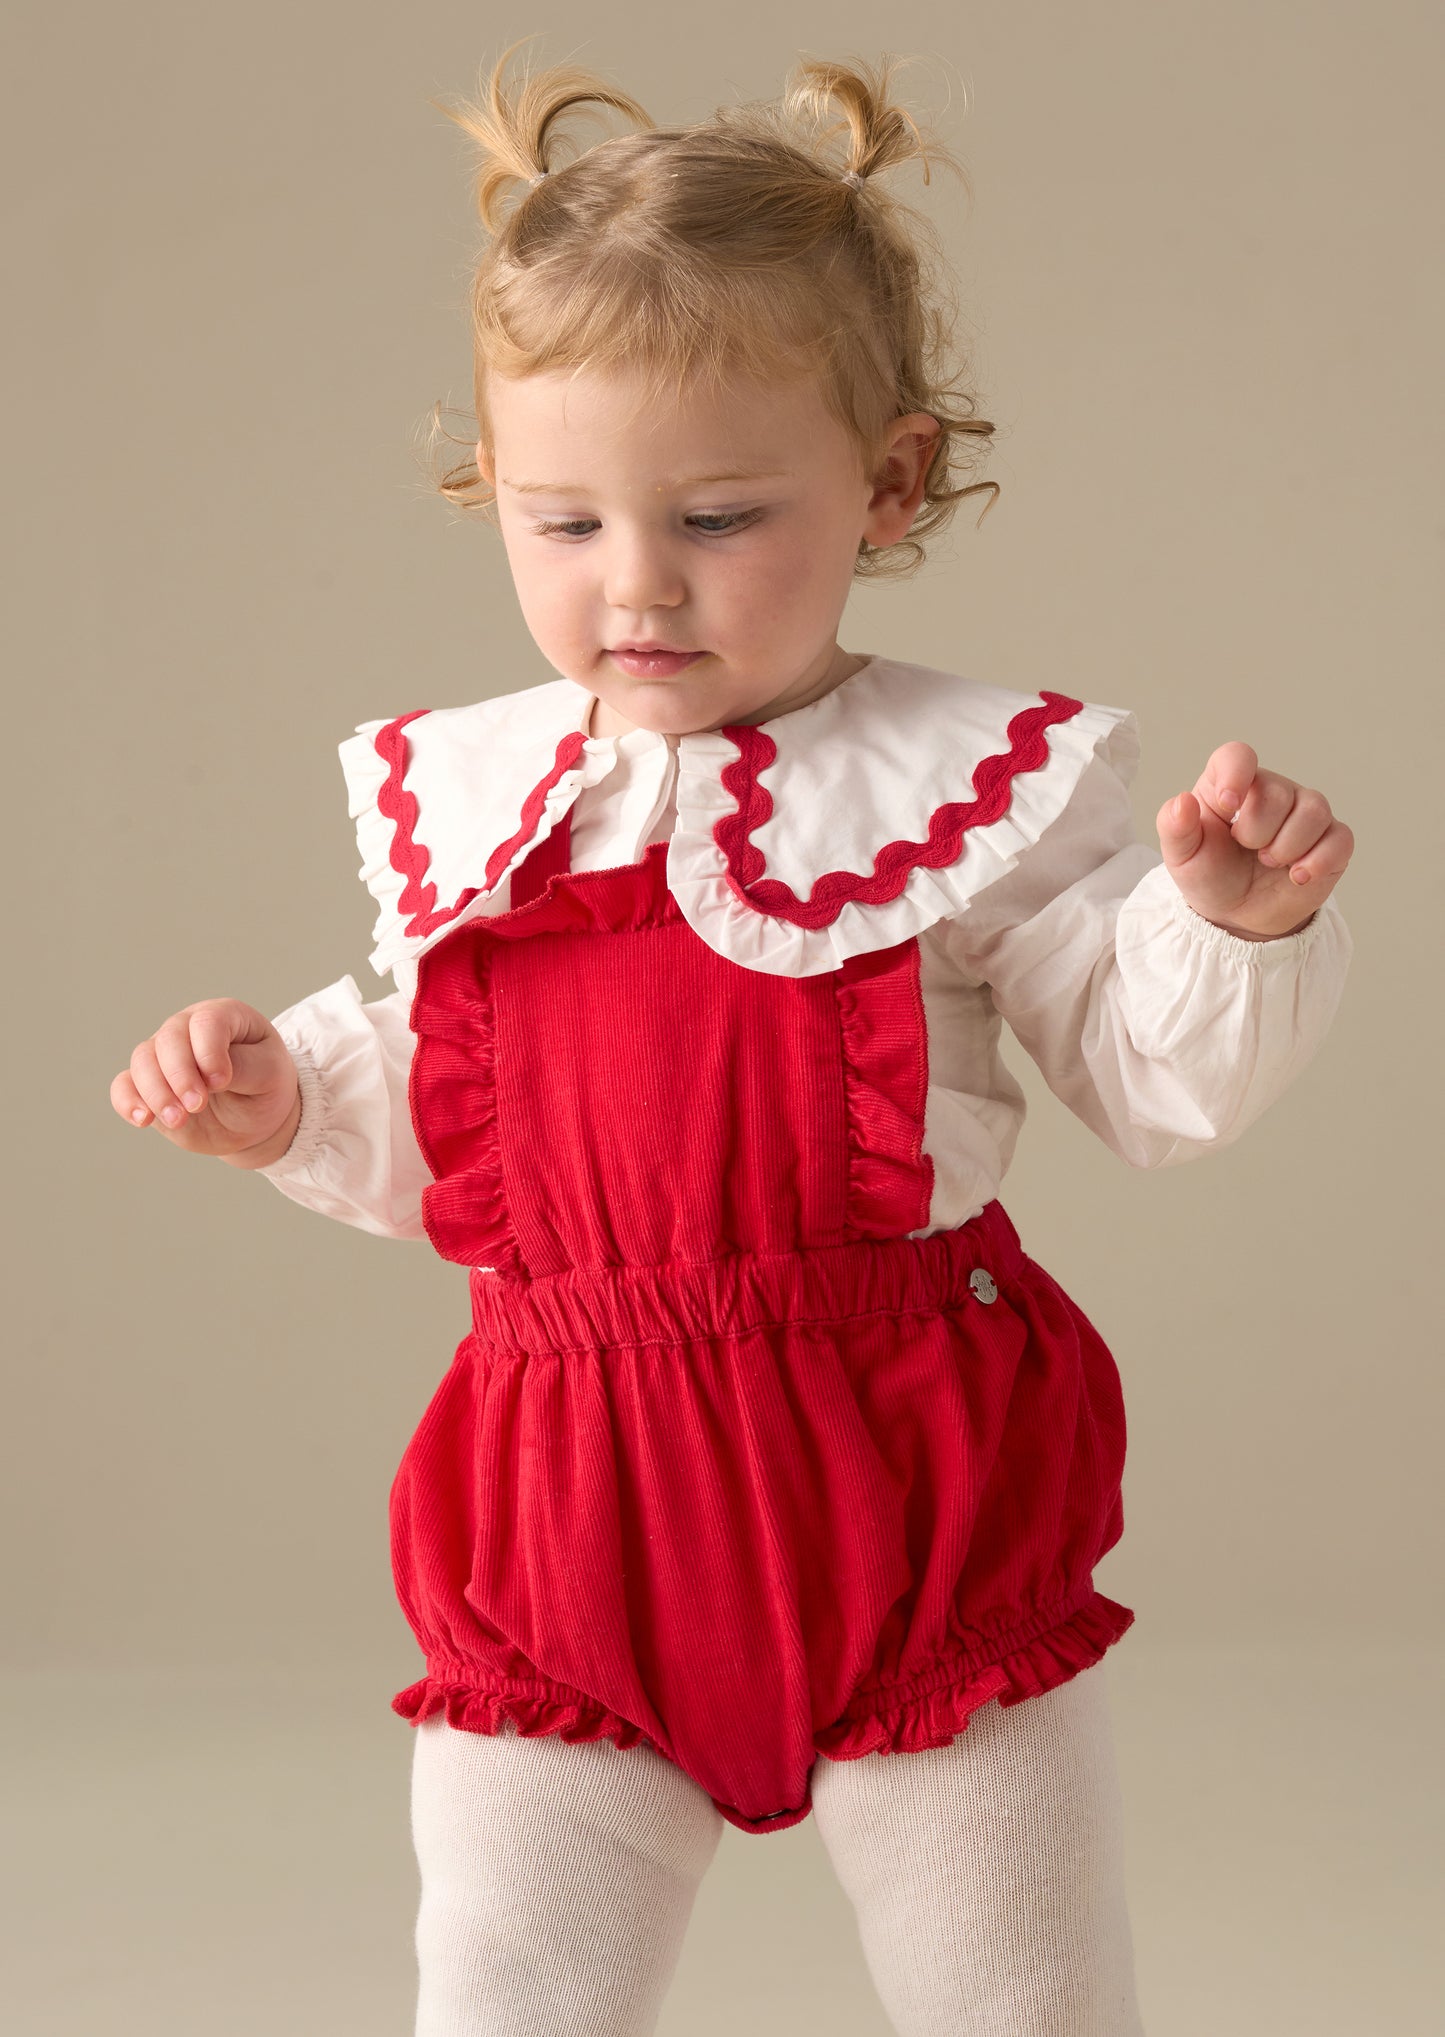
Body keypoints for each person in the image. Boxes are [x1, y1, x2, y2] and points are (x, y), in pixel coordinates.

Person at [109, 42, 1355, 2037]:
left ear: (889, 480)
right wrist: (279, 1101)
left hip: (913, 1504)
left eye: (713, 512)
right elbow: (443, 1111)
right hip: (565, 1519)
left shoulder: (958, 789)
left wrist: (1226, 926)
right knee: (506, 1997)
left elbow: (1149, 1073)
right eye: (563, 522)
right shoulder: (487, 803)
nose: (638, 584)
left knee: (1023, 2001)